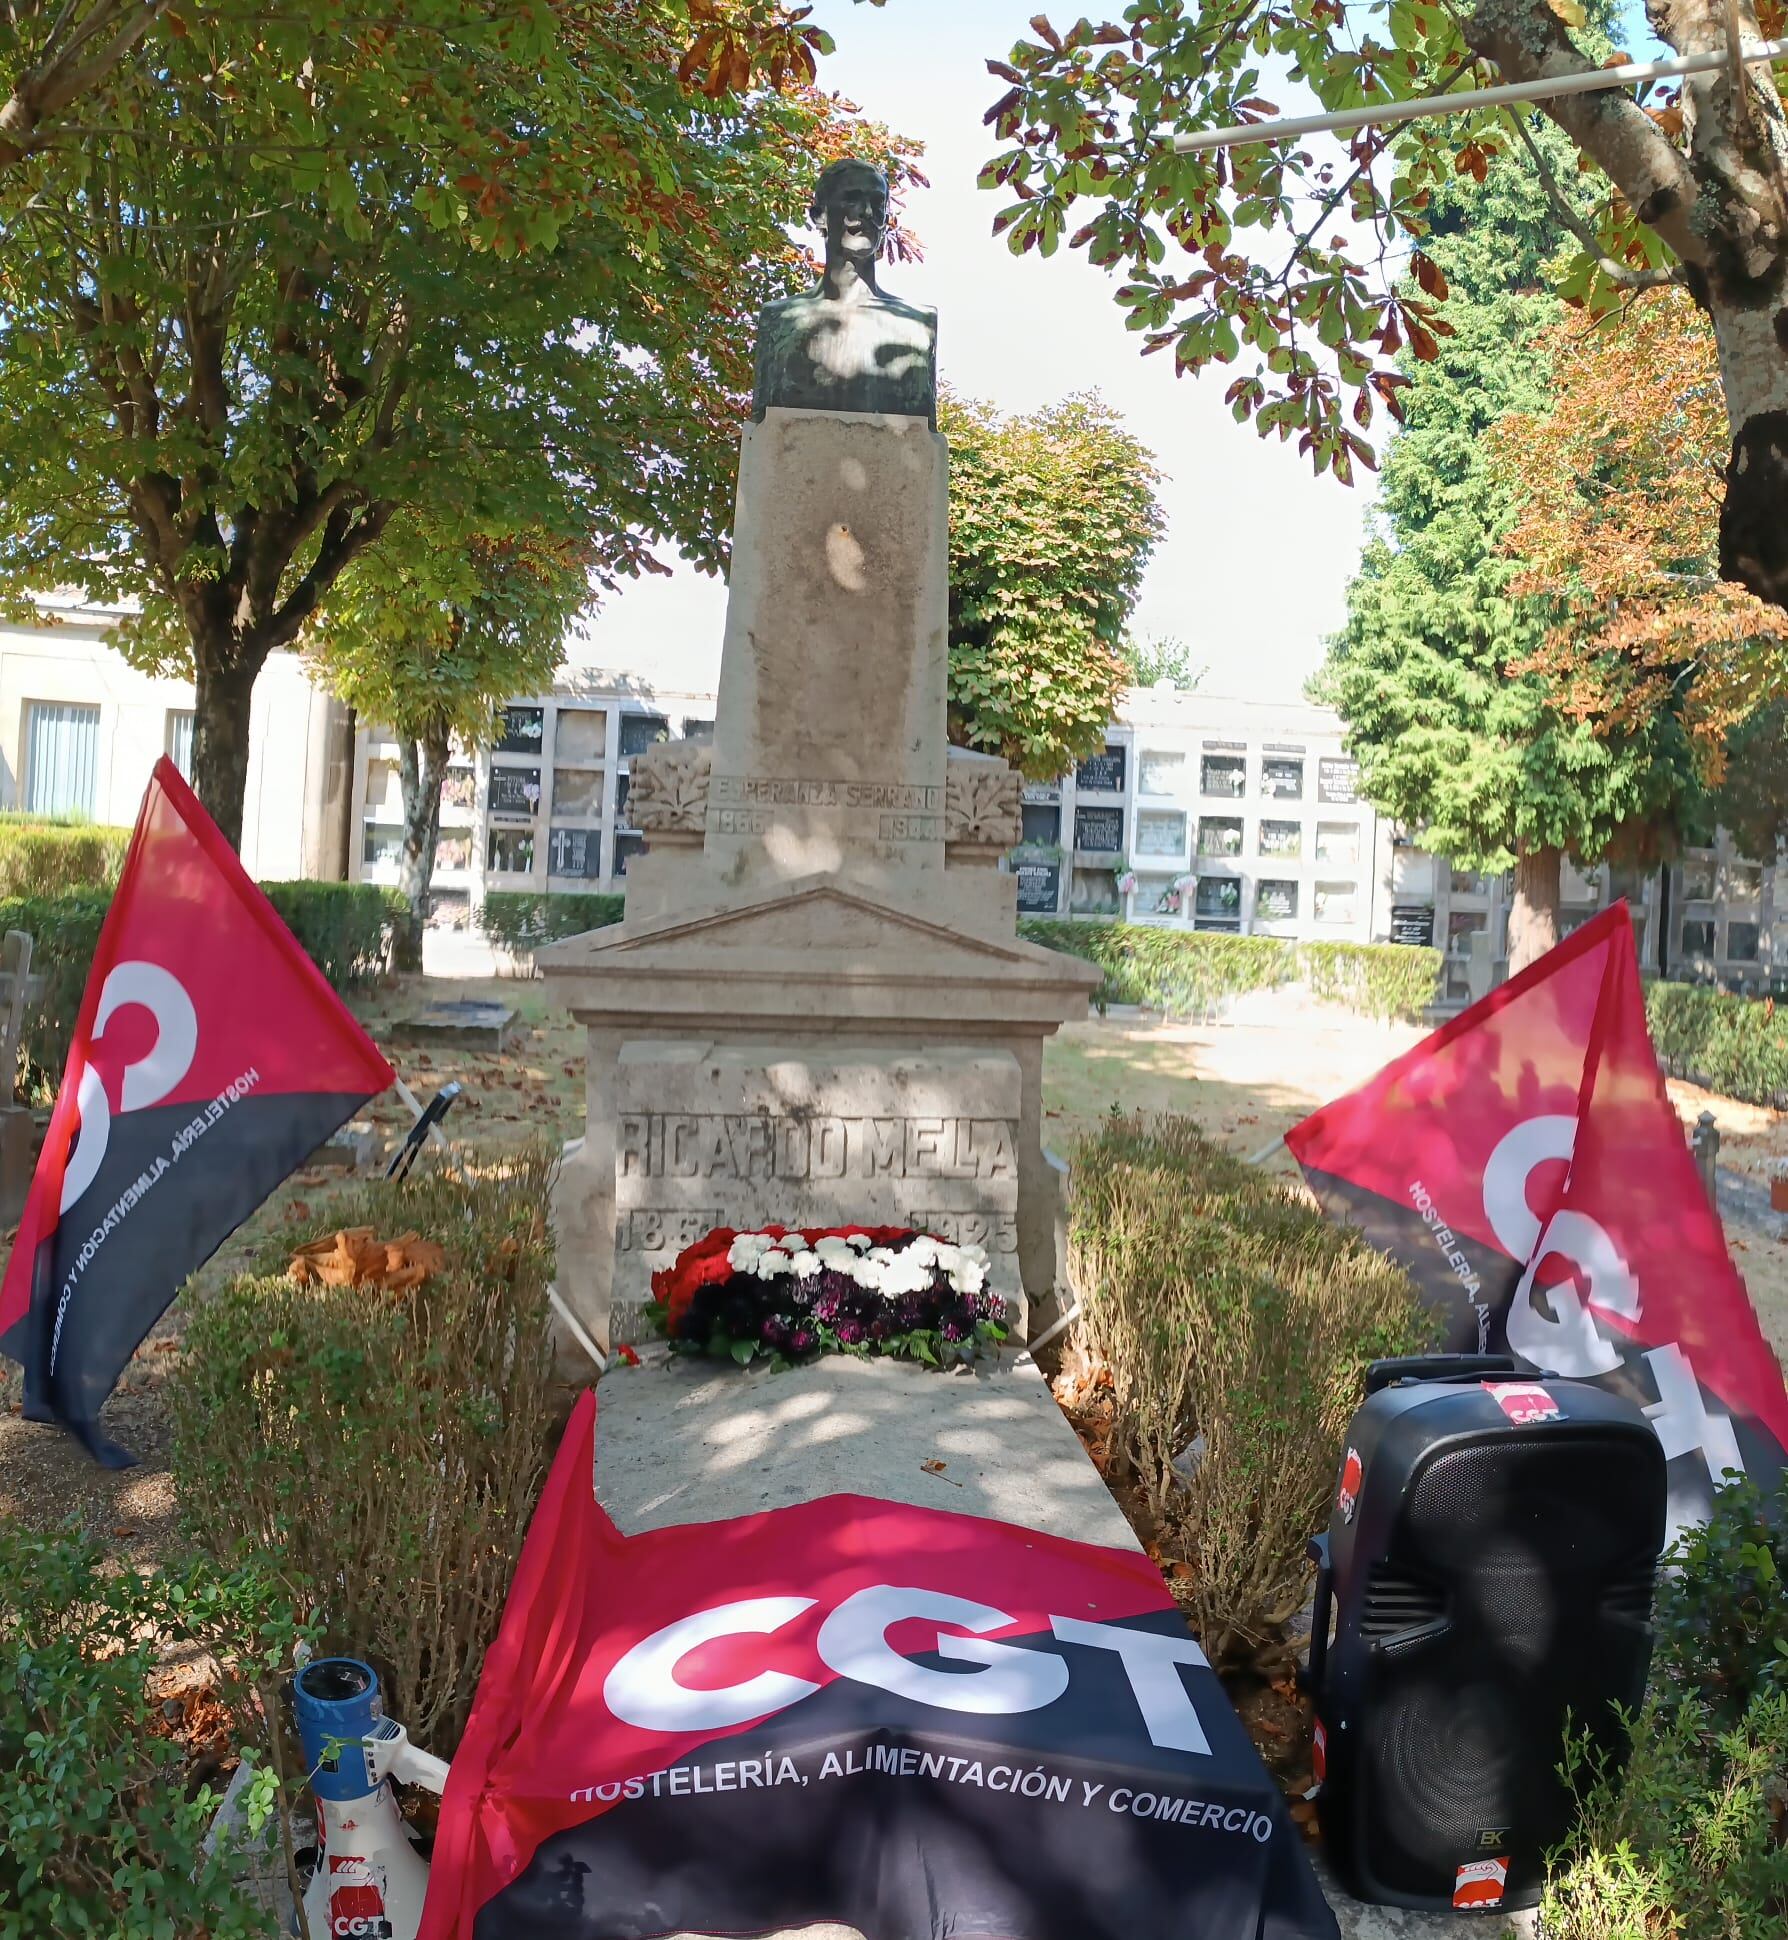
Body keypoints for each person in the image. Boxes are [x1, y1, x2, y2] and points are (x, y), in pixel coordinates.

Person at [752, 158, 937, 426]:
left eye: (877, 203)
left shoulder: (917, 323)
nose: (867, 212)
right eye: (852, 199)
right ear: (819, 216)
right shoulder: (779, 319)